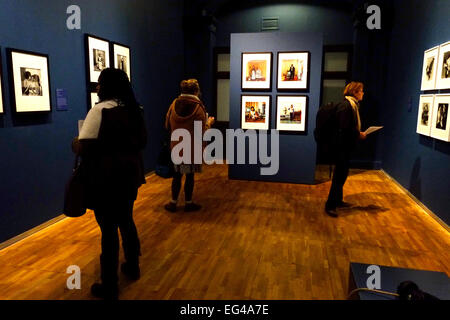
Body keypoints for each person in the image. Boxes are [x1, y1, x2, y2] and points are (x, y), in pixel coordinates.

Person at [73, 68, 147, 299]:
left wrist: (75, 142)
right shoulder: (135, 110)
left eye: (100, 83)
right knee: (126, 220)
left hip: (105, 178)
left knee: (108, 229)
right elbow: (142, 142)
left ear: (106, 86)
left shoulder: (100, 110)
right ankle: (133, 265)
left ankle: (109, 283)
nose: (97, 87)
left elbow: (83, 146)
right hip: (129, 176)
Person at [164, 79, 214, 213]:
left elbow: (167, 125)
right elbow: (202, 132)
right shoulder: (198, 108)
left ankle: (173, 202)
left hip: (176, 146)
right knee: (190, 176)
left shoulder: (173, 104)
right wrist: (209, 123)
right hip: (192, 149)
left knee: (177, 176)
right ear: (196, 91)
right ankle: (188, 203)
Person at [325, 81, 367, 218]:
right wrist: (358, 134)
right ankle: (330, 205)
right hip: (341, 147)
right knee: (339, 176)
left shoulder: (352, 105)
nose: (363, 93)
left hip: (345, 147)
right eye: (361, 90)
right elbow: (343, 129)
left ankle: (338, 200)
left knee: (342, 175)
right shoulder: (346, 106)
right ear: (354, 92)